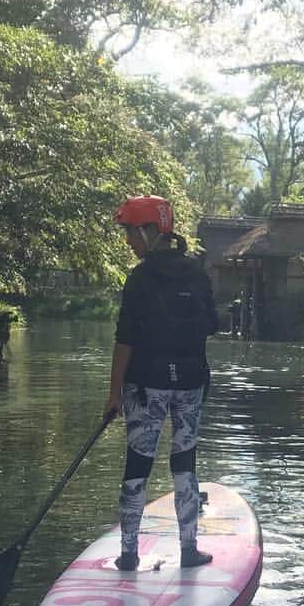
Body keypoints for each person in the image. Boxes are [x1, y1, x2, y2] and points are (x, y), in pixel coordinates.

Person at [103, 194, 220, 571]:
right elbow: (212, 327)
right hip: (190, 384)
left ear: (151, 231)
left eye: (131, 233)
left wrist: (114, 393)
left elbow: (125, 339)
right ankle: (189, 551)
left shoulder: (140, 278)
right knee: (185, 464)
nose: (128, 242)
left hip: (145, 385)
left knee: (138, 465)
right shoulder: (198, 274)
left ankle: (128, 554)